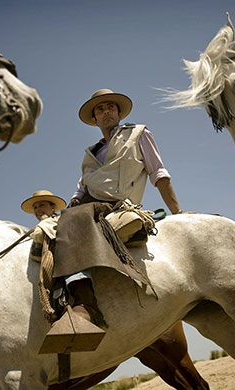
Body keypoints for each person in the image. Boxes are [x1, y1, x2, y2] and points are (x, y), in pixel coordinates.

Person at [55, 89, 189, 330]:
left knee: (72, 221)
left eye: (110, 107)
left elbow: (158, 173)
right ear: (94, 119)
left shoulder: (138, 133)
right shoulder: (90, 153)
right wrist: (67, 210)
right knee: (52, 229)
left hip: (117, 204)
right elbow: (79, 190)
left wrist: (177, 213)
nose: (106, 111)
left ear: (118, 112)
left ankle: (85, 304)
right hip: (86, 205)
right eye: (100, 109)